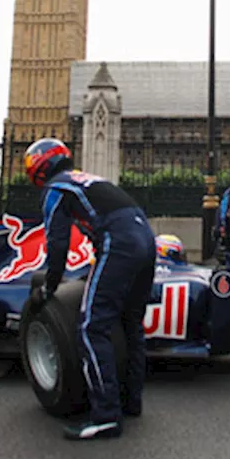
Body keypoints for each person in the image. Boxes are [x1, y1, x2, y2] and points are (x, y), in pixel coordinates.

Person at [25, 138, 156, 441]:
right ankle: (131, 401)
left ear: (41, 165)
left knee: (90, 326)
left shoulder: (56, 188)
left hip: (119, 242)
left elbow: (58, 243)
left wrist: (50, 285)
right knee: (131, 323)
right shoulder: (89, 179)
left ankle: (106, 416)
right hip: (146, 240)